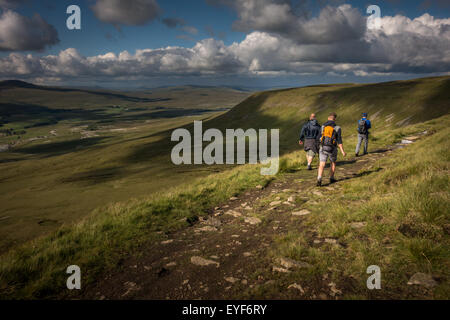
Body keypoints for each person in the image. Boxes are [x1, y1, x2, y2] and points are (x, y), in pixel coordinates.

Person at [317, 112, 347, 187]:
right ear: (335, 119)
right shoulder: (337, 128)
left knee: (322, 164)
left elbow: (319, 137)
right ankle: (331, 178)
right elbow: (339, 141)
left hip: (323, 147)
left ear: (328, 118)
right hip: (332, 148)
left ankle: (319, 178)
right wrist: (342, 151)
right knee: (333, 163)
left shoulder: (323, 126)